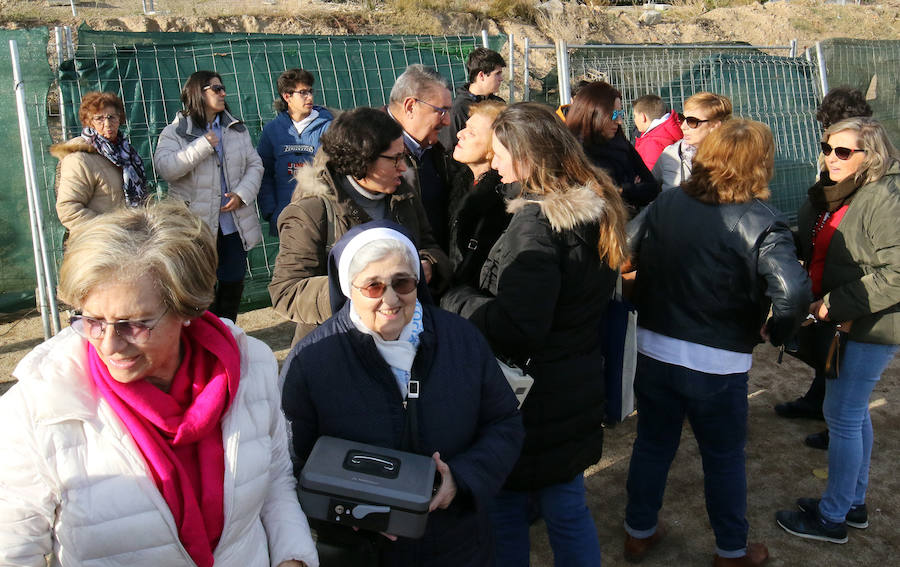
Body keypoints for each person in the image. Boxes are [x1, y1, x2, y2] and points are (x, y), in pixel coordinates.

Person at [0, 201, 318, 567]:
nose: (109, 344)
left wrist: (292, 558)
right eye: (92, 320)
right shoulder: (37, 405)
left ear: (186, 309)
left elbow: (275, 479)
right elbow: (14, 549)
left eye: (133, 324)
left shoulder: (251, 367)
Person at [442, 102, 629, 566]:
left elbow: (518, 327)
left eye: (502, 152)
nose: (497, 162)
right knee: (567, 506)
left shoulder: (535, 225)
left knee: (504, 508)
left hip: (531, 400)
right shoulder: (591, 205)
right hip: (573, 385)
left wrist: (456, 298)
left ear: (526, 157)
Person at [623, 119, 811, 567]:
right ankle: (731, 550)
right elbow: (795, 292)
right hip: (717, 361)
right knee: (723, 457)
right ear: (760, 166)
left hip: (655, 346)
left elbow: (624, 249)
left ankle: (638, 531)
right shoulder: (764, 222)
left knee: (652, 443)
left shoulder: (668, 202)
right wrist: (778, 333)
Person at [281, 222, 524, 566]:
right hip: (364, 553)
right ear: (349, 288)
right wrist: (349, 512)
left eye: (402, 282)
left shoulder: (461, 339)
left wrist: (461, 479)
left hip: (458, 544)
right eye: (374, 286)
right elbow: (289, 462)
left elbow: (504, 422)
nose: (391, 299)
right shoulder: (311, 362)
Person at [775, 117, 900, 545]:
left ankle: (832, 518)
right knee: (849, 413)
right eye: (828, 147)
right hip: (851, 321)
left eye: (843, 152)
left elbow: (897, 272)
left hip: (871, 326)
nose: (831, 157)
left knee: (843, 417)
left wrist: (834, 303)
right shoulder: (845, 192)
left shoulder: (883, 197)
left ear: (872, 156)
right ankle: (852, 503)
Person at [268, 107, 449, 345]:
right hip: (338, 345)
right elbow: (286, 290)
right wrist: (356, 290)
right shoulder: (312, 210)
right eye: (394, 159)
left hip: (404, 339)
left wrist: (427, 264)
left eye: (403, 156)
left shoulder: (404, 195)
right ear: (362, 160)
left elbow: (428, 245)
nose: (403, 167)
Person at [773, 87, 874, 452]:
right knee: (830, 354)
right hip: (825, 269)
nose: (830, 151)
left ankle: (838, 427)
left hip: (851, 291)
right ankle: (822, 402)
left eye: (839, 144)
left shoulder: (868, 178)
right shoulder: (834, 166)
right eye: (827, 142)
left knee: (846, 378)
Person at [154, 70, 263, 323]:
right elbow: (167, 168)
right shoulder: (175, 133)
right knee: (200, 288)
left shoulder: (236, 129)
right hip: (196, 227)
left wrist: (241, 194)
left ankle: (227, 334)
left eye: (223, 88)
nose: (223, 93)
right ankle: (204, 341)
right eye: (216, 88)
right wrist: (202, 146)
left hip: (233, 225)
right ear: (197, 93)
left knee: (233, 283)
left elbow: (255, 165)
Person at [51, 91, 148, 233]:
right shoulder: (79, 159)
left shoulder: (127, 154)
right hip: (101, 246)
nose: (107, 124)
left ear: (119, 119)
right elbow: (68, 210)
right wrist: (110, 230)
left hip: (133, 240)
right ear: (89, 122)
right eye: (99, 119)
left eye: (111, 117)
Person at [257, 68, 334, 237]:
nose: (310, 97)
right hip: (287, 218)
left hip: (326, 217)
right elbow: (264, 173)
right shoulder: (272, 130)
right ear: (287, 96)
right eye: (303, 93)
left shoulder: (330, 127)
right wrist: (271, 212)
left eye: (311, 91)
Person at [386, 64, 454, 250]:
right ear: (410, 106)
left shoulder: (434, 152)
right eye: (441, 111)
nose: (447, 121)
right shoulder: (366, 150)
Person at [566, 81, 660, 213]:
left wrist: (622, 190)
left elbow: (652, 188)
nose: (619, 121)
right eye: (613, 115)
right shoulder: (574, 152)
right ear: (593, 114)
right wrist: (630, 189)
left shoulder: (621, 143)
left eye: (620, 114)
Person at [447, 99, 511, 286]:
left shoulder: (501, 200)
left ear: (494, 148)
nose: (460, 134)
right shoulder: (459, 182)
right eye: (465, 127)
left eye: (472, 133)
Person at [652, 91, 732, 191]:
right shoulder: (670, 154)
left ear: (714, 126)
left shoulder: (736, 157)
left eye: (692, 121)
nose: (683, 126)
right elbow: (650, 189)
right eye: (682, 118)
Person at [438, 47, 506, 152]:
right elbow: (448, 150)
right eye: (497, 73)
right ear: (481, 75)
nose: (501, 78)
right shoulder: (458, 109)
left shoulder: (499, 104)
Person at [632, 93, 683, 171]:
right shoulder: (672, 129)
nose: (634, 120)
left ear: (643, 117)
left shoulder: (651, 143)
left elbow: (651, 177)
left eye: (635, 116)